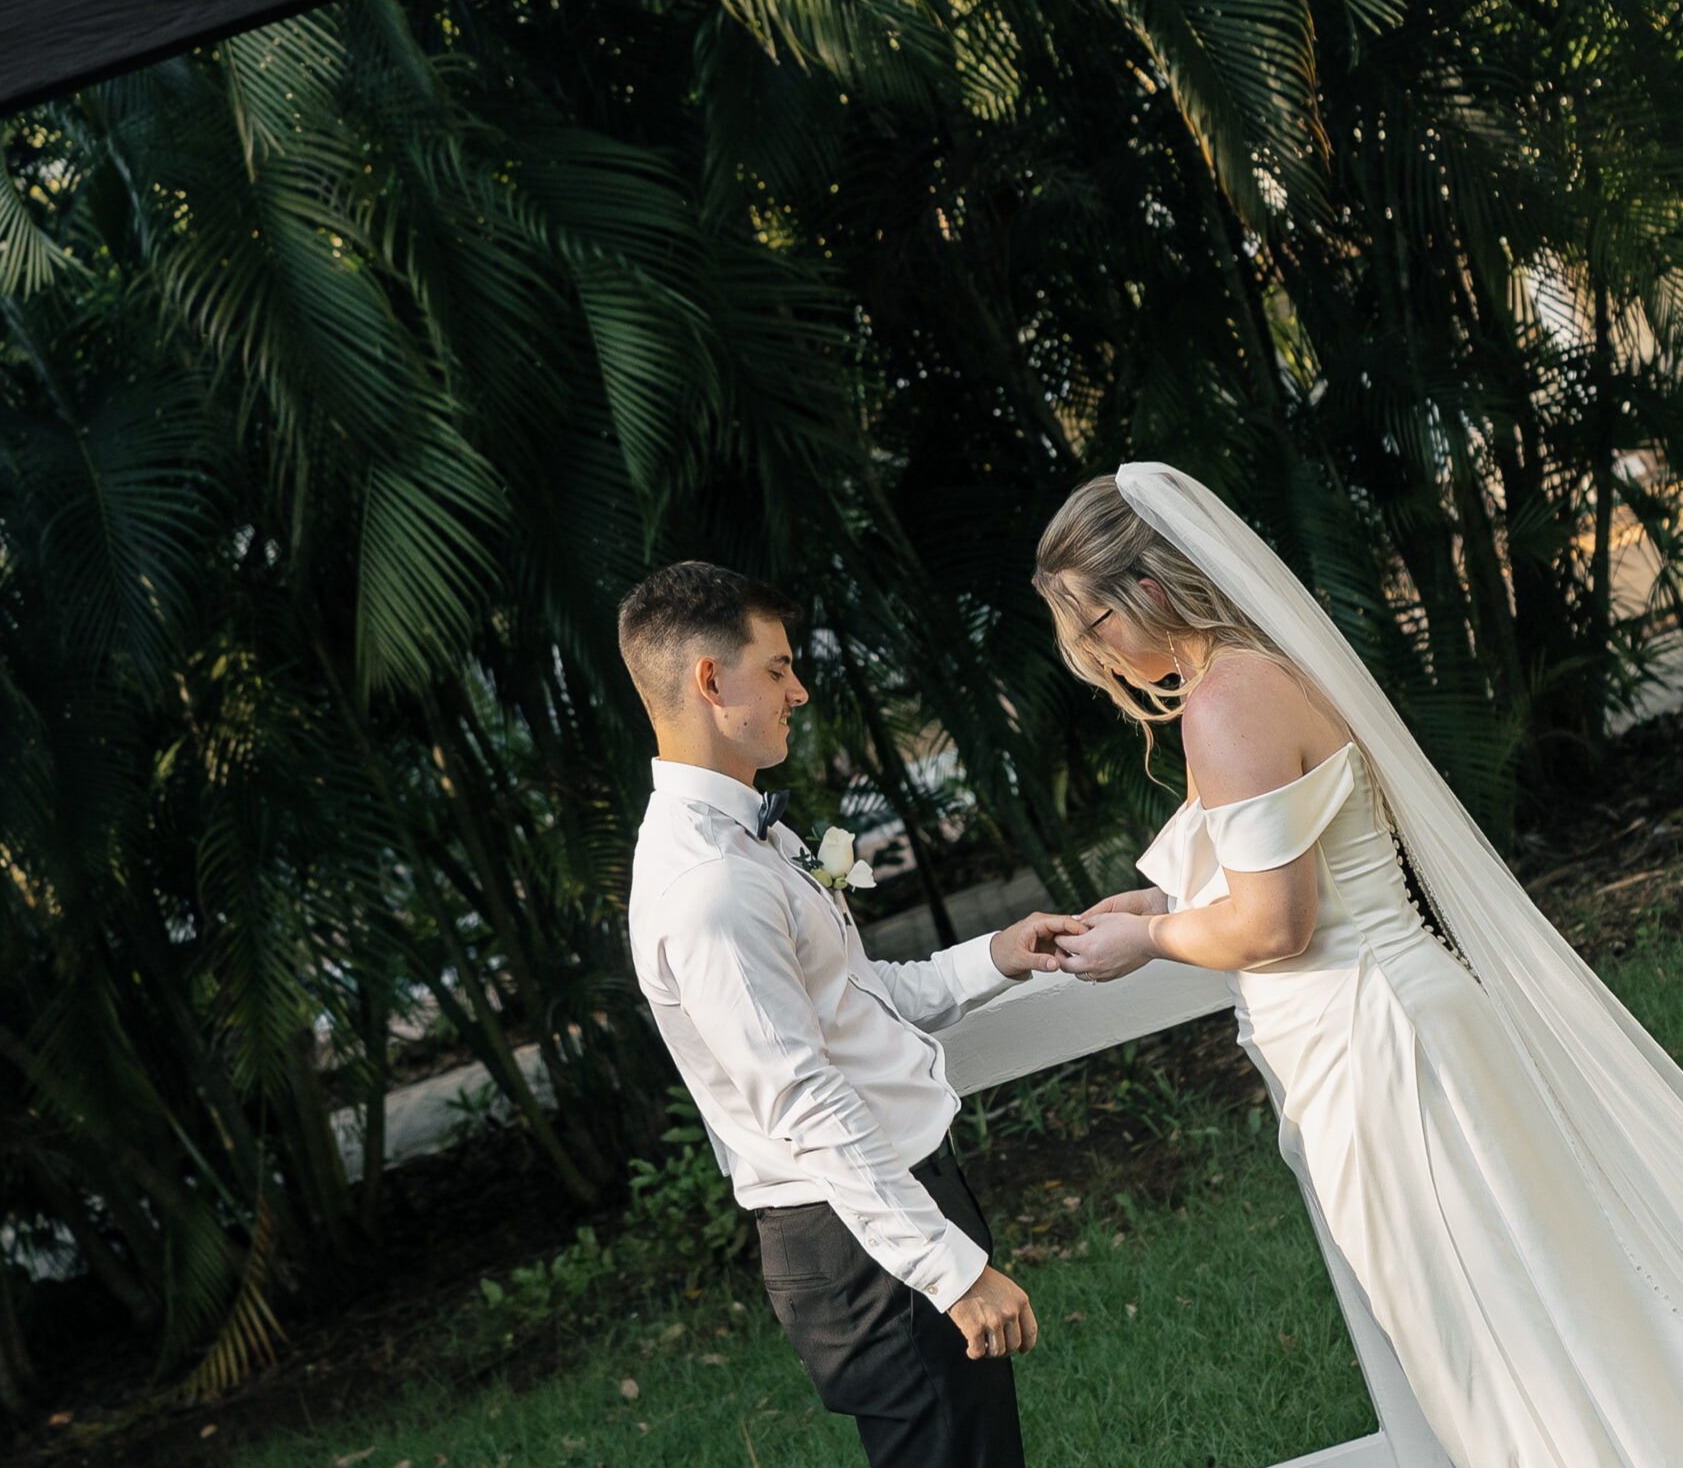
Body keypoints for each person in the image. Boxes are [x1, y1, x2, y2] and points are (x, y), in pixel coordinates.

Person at [1037, 461, 1683, 1468]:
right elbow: (1299, 860)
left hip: (1381, 1047)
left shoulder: (1225, 701)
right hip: (1392, 1024)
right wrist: (1167, 900)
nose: (1096, 654)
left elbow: (1276, 922)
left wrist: (1151, 940)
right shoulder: (1260, 670)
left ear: (1150, 591)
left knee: (1490, 1323)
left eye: (1095, 624)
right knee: (1524, 1297)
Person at [620, 560, 1080, 1468]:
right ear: (712, 681)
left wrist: (996, 954)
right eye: (779, 667)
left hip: (894, 1210)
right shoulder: (708, 884)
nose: (798, 689)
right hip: (864, 1247)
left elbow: (854, 1002)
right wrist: (948, 1271)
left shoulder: (750, 839)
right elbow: (803, 1101)